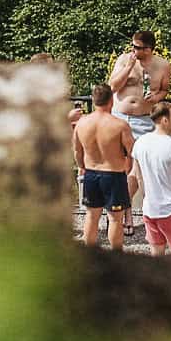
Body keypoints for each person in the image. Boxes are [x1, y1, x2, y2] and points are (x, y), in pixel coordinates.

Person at [130, 101, 171, 255]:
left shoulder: (140, 143)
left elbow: (138, 177)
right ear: (165, 120)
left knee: (156, 254)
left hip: (150, 208)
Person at [75, 84, 134, 251]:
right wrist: (127, 168)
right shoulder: (120, 125)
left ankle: (89, 255)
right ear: (111, 101)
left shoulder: (82, 123)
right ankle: (116, 255)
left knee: (91, 216)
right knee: (115, 219)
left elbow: (76, 151)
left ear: (93, 101)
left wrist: (82, 166)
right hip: (113, 175)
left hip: (91, 173)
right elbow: (131, 152)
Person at [107, 29, 171, 140]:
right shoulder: (124, 59)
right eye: (132, 45)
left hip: (145, 120)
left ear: (147, 49)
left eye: (136, 47)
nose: (132, 49)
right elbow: (112, 87)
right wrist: (128, 68)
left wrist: (155, 97)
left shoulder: (163, 65)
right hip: (120, 117)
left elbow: (164, 90)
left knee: (142, 156)